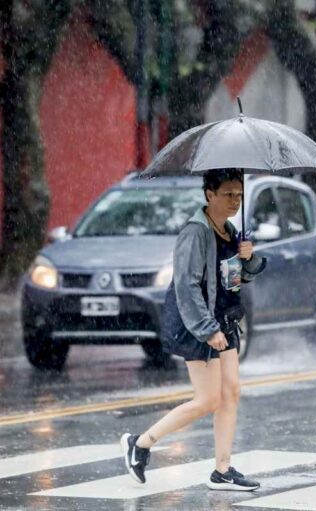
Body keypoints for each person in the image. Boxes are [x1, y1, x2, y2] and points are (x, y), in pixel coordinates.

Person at [120, 169, 266, 491]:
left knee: (231, 393)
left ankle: (222, 470)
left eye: (239, 195)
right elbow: (186, 286)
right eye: (228, 194)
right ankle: (140, 443)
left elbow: (236, 280)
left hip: (225, 321)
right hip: (199, 325)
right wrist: (206, 328)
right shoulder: (195, 233)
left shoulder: (231, 232)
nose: (234, 201)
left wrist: (249, 258)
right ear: (208, 194)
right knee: (207, 399)